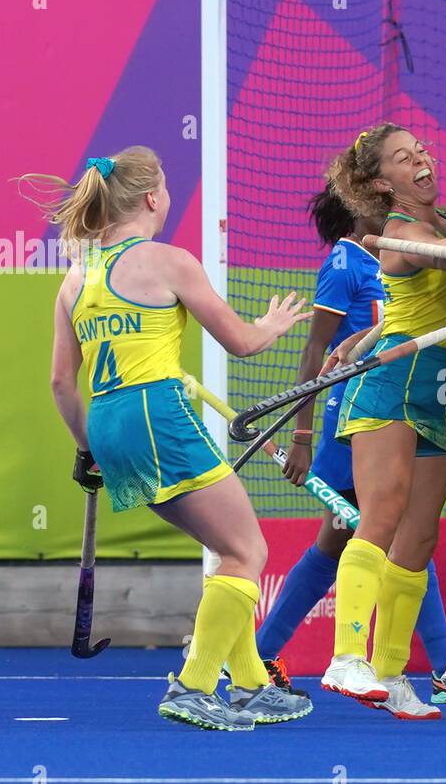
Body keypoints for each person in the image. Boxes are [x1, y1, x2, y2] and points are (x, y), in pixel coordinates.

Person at [30, 147, 313, 730]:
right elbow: (241, 342)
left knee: (225, 546)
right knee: (247, 552)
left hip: (107, 423)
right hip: (156, 414)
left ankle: (253, 685)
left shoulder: (76, 277)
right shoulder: (169, 261)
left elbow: (62, 382)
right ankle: (193, 685)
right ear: (153, 198)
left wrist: (86, 448)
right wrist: (274, 325)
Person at [318, 125, 446, 719]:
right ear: (380, 183)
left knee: (419, 538)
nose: (421, 159)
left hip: (434, 395)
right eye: (403, 157)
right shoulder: (398, 231)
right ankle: (347, 655)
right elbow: (403, 258)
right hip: (389, 391)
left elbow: (427, 309)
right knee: (382, 518)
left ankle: (392, 672)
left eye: (420, 150)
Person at [258, 182, 446, 705]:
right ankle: (445, 665)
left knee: (345, 538)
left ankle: (260, 652)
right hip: (357, 414)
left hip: (396, 408)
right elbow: (315, 351)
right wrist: (301, 436)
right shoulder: (346, 262)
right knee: (396, 532)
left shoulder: (402, 250)